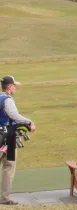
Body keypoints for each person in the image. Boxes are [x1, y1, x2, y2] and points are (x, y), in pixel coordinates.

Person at [0, 76, 35, 206]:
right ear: (9, 87)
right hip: (7, 137)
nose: (15, 88)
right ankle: (4, 198)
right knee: (8, 167)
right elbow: (14, 115)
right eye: (14, 86)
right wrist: (29, 122)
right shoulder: (7, 100)